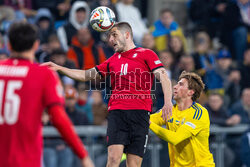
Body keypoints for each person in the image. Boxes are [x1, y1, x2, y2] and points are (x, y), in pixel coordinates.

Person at [43, 22, 173, 167]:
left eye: (114, 35)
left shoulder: (146, 54)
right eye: (110, 36)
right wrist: (58, 68)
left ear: (127, 35)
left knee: (134, 164)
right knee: (113, 159)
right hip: (117, 113)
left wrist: (168, 103)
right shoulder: (112, 60)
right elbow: (85, 75)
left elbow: (164, 77)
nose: (111, 40)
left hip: (140, 115)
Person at [0, 21, 94, 167]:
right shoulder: (43, 74)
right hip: (25, 161)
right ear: (36, 45)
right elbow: (59, 118)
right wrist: (83, 155)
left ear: (9, 45)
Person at [150, 71, 215, 167]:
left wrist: (149, 123)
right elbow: (147, 119)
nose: (175, 87)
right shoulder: (171, 110)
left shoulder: (199, 113)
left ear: (190, 92)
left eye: (180, 84)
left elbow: (176, 138)